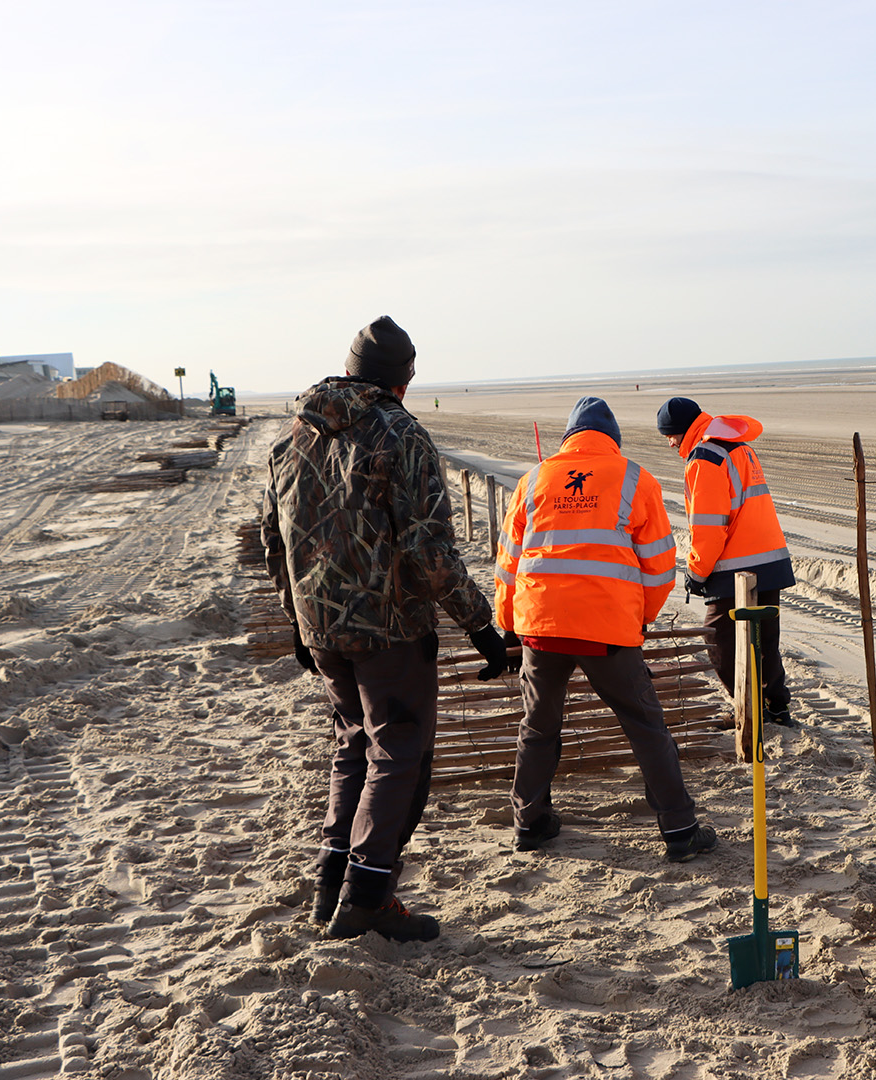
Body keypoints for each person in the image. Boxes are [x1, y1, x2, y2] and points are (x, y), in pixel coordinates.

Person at [262, 315, 512, 942]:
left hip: (322, 628)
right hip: (389, 628)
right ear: (403, 380)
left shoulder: (293, 435)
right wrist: (481, 627)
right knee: (399, 752)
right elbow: (429, 550)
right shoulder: (401, 434)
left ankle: (331, 888)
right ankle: (368, 897)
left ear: (349, 371)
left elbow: (274, 538)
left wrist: (298, 619)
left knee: (354, 747)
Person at [495, 397, 716, 862]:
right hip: (607, 629)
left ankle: (529, 824)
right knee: (645, 726)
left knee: (537, 726)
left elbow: (508, 562)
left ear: (568, 438)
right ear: (612, 440)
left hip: (541, 625)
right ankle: (680, 829)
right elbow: (660, 566)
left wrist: (508, 623)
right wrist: (640, 618)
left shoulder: (534, 479)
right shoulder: (635, 478)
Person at [654, 397, 796, 725]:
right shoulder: (737, 446)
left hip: (734, 565)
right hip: (770, 558)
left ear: (682, 430)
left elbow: (709, 527)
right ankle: (777, 707)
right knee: (765, 640)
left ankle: (749, 708)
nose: (670, 443)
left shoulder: (705, 458)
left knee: (718, 641)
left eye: (670, 435)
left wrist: (696, 572)